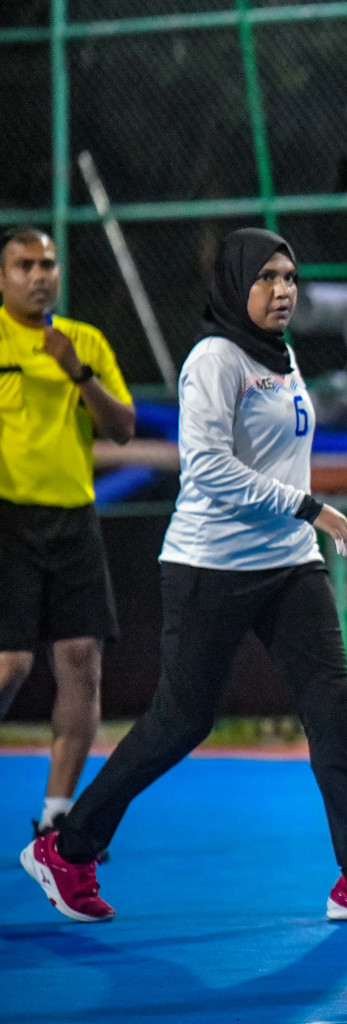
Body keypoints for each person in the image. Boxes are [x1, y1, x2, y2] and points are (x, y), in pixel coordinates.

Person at [21, 229, 347, 924]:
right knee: (180, 722)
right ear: (234, 283)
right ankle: (68, 848)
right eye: (267, 278)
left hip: (288, 566)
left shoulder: (282, 355)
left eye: (291, 278)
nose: (283, 291)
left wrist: (298, 522)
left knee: (333, 705)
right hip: (209, 566)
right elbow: (207, 467)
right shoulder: (213, 360)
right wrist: (309, 507)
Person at [0, 226, 136, 844]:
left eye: (48, 264)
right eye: (25, 265)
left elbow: (124, 429)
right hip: (8, 519)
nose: (39, 275)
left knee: (81, 660)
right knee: (10, 666)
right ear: (2, 277)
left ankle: (57, 817)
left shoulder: (83, 342)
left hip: (74, 520)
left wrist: (78, 373)